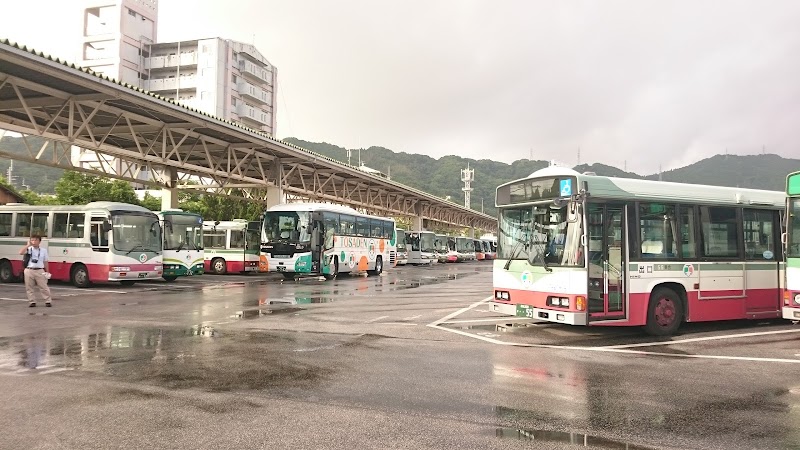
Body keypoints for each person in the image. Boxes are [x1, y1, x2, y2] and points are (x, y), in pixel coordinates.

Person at [18, 234, 52, 307]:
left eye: (36, 240)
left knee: (44, 286)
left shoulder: (43, 250)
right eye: (32, 240)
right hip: (29, 270)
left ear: (39, 241)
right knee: (29, 287)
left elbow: (45, 261)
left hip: (39, 270)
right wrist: (27, 245)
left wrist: (47, 271)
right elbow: (20, 252)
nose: (34, 242)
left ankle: (47, 301)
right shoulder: (29, 249)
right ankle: (32, 301)